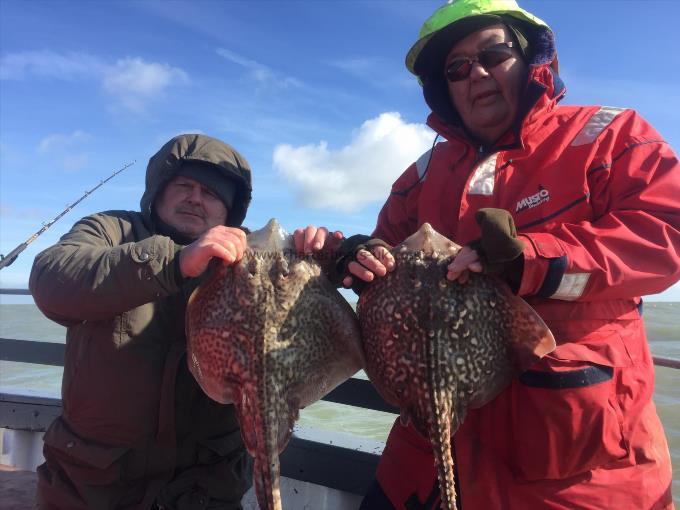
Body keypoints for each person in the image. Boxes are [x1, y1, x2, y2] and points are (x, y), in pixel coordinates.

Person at [297, 0, 680, 508]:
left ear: (529, 59)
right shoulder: (422, 174)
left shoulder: (608, 136)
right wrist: (363, 259)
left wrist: (533, 260)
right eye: (456, 68)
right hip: (425, 454)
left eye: (493, 55)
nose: (475, 74)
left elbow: (665, 236)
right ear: (443, 87)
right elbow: (384, 248)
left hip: (574, 463)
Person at [29, 134, 254, 509]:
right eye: (184, 185)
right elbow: (51, 279)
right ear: (158, 190)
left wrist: (347, 254)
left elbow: (309, 263)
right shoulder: (110, 229)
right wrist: (173, 261)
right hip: (94, 487)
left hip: (204, 488)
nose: (196, 198)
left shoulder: (250, 255)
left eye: (212, 193)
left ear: (229, 211)